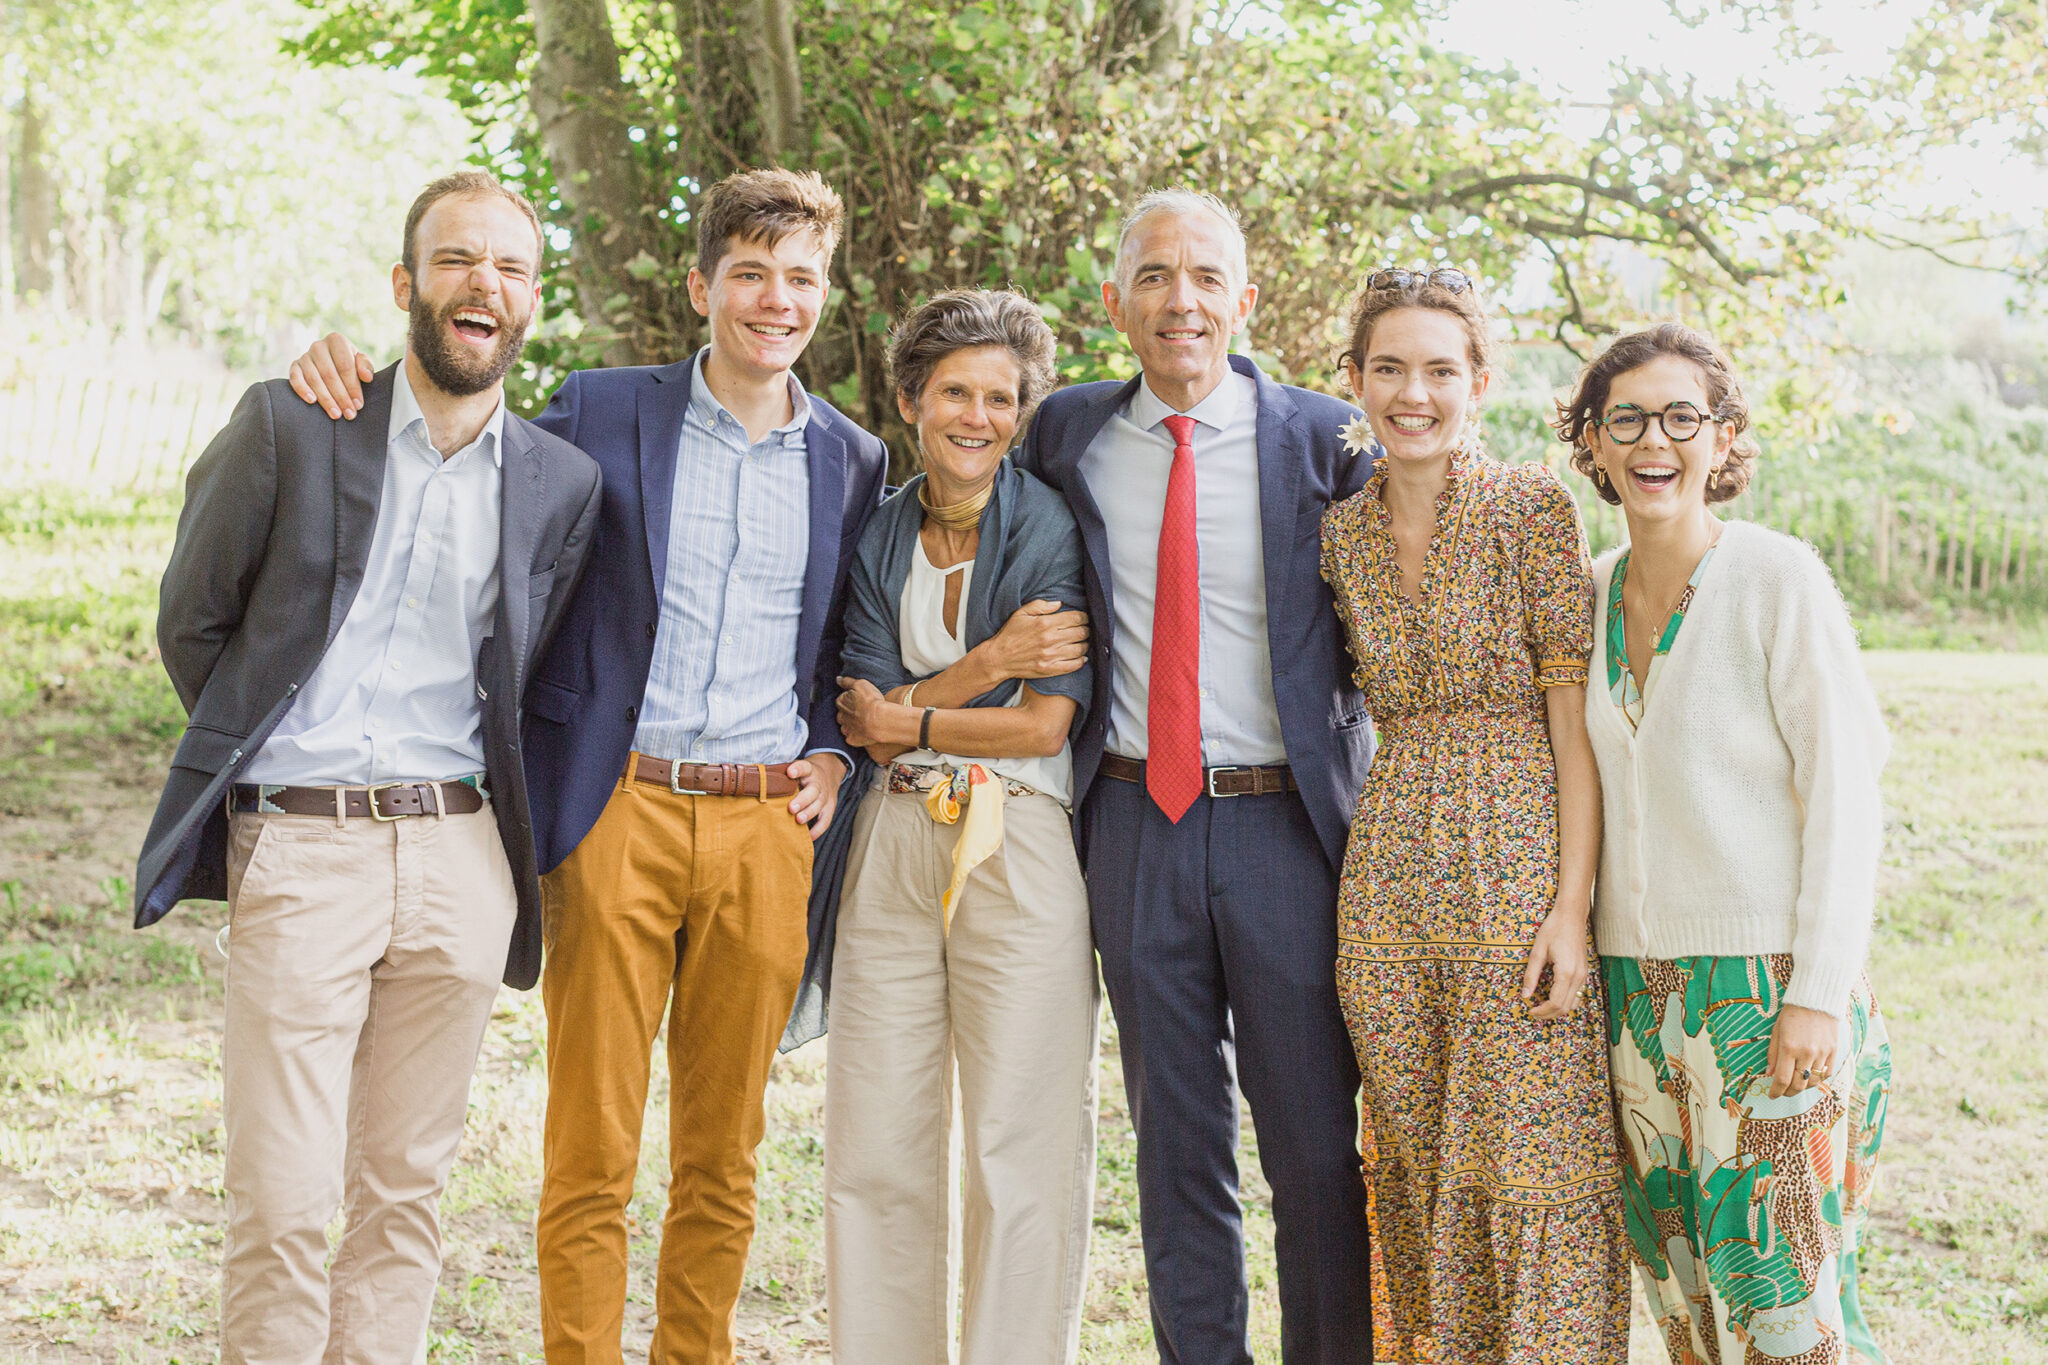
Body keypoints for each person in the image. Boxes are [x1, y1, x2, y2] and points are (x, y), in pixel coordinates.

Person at [282, 168, 890, 1365]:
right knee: (591, 1146)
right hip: (620, 807)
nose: (776, 300)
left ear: (825, 294)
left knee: (724, 1151)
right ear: (702, 283)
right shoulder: (605, 412)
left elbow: (842, 637)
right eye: (751, 273)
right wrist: (341, 375)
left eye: (801, 278)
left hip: (768, 827)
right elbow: (458, 440)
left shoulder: (853, 460)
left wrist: (833, 749)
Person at [133, 170, 602, 1363]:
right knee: (284, 1204)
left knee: (404, 1201)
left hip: (459, 853)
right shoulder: (294, 423)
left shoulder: (559, 483)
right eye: (455, 260)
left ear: (531, 301)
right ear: (407, 286)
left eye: (508, 266)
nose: (480, 283)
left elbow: (532, 668)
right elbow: (194, 622)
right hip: (303, 842)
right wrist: (271, 754)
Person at [1013, 189, 1377, 1365]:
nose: (1183, 301)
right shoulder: (1063, 434)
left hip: (1283, 830)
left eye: (1207, 277)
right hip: (1128, 819)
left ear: (1243, 301)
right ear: (1113, 301)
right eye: (1156, 277)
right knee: (1174, 1145)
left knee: (1314, 1147)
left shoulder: (1326, 442)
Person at [1558, 322, 1894, 1365]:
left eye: (1679, 417)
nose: (1652, 440)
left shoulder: (1773, 580)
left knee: (1783, 1306)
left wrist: (1816, 993)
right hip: (1631, 999)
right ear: (1593, 445)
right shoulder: (1591, 590)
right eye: (1626, 420)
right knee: (1682, 1299)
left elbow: (1847, 791)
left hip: (1764, 990)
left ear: (1722, 439)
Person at [1319, 267, 1631, 1362]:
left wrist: (1568, 909)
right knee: (1412, 1157)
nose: (1414, 392)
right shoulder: (1340, 535)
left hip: (1514, 862)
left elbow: (1573, 723)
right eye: (1390, 368)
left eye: (1439, 370)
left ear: (1480, 383)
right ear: (1352, 380)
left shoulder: (1527, 507)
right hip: (1389, 876)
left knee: (1529, 1162)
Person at [827, 288, 1099, 1364]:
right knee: (874, 1141)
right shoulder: (880, 528)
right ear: (910, 400)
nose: (976, 416)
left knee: (1020, 1140)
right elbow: (867, 725)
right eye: (954, 392)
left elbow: (1041, 730)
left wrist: (916, 715)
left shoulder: (1045, 523)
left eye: (999, 396)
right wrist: (985, 667)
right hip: (891, 840)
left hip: (1016, 843)